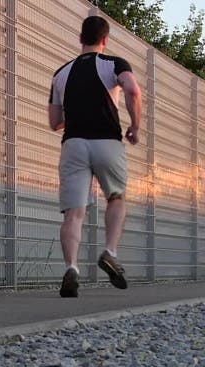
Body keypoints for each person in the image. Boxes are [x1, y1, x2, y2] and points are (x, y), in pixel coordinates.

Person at [48, 16, 143, 297]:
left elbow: (55, 121)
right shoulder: (115, 64)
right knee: (116, 198)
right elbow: (133, 90)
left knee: (73, 214)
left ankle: (71, 269)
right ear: (105, 40)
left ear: (80, 38)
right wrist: (135, 126)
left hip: (74, 144)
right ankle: (110, 252)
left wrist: (78, 110)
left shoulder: (60, 73)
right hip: (107, 142)